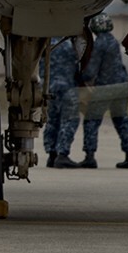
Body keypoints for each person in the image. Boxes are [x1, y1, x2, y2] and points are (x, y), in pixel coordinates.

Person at [79, 14, 128, 169]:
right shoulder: (113, 41)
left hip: (105, 88)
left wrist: (80, 76)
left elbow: (91, 70)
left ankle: (90, 156)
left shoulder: (100, 43)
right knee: (121, 119)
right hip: (121, 86)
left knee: (91, 120)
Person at [44, 35, 80, 168]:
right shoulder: (69, 45)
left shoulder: (44, 45)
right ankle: (62, 154)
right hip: (67, 87)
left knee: (52, 121)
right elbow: (78, 66)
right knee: (70, 120)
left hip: (48, 88)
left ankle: (51, 154)